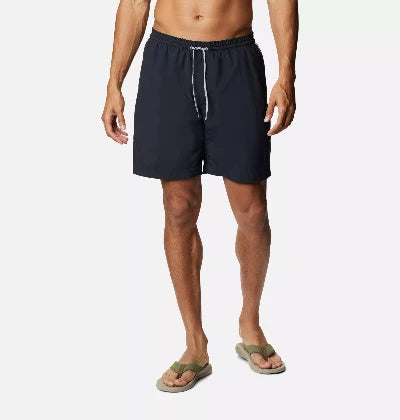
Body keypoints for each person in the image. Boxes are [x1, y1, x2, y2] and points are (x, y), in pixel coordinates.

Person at [101, 0, 298, 393]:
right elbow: (135, 3)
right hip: (168, 60)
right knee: (178, 207)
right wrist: (113, 83)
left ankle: (250, 322)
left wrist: (286, 75)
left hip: (235, 59)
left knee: (252, 210)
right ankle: (195, 342)